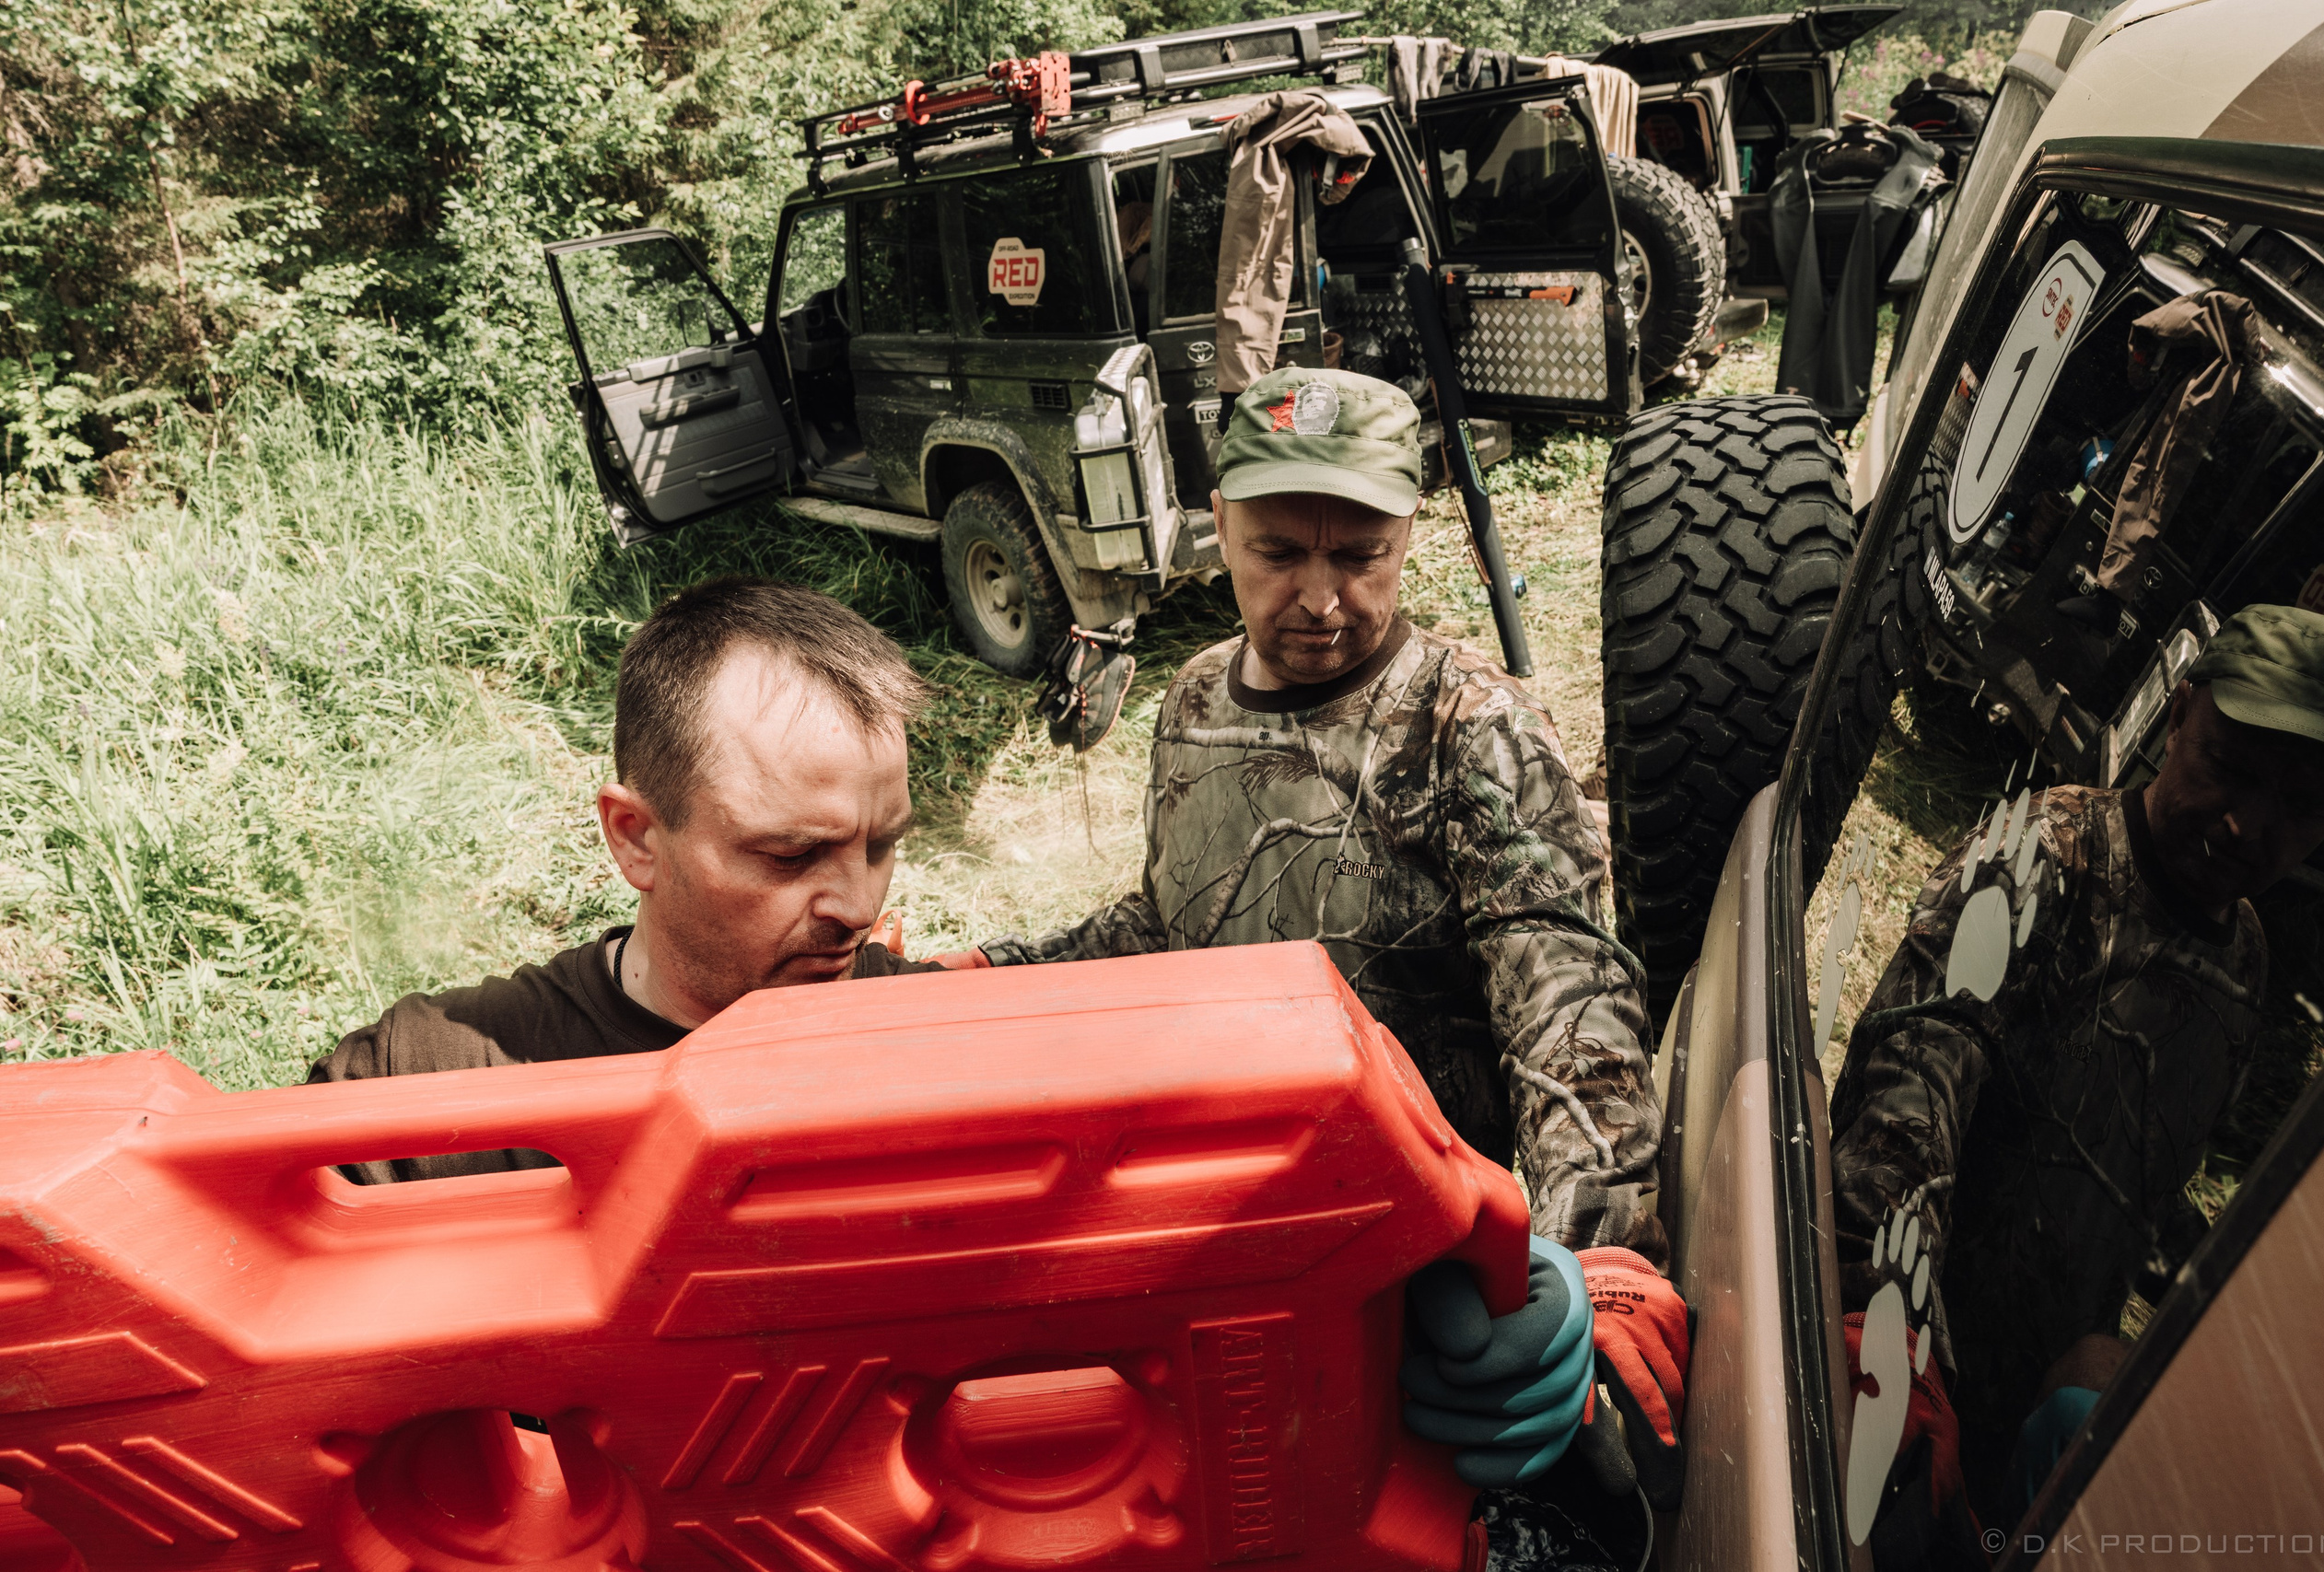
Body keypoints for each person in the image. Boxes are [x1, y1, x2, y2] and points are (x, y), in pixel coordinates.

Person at [934, 366, 1688, 1538]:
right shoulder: (1193, 700)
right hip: (1233, 1233)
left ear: (1409, 534)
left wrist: (1594, 1259)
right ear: (1218, 524)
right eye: (1278, 553)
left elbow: (1566, 997)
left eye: (1362, 556)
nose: (1322, 600)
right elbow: (1172, 925)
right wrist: (995, 981)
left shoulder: (1466, 724)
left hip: (1428, 1264)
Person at [1828, 604, 2324, 1555]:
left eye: (2305, 807)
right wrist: (1892, 1326)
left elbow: (2133, 1189)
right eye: (2229, 767)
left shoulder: (2242, 960)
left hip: (2028, 1439)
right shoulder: (2042, 858)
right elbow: (1908, 1092)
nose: (2249, 824)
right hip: (1888, 1378)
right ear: (2178, 711)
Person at [309, 578, 940, 1179]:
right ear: (636, 837)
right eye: (792, 853)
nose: (859, 909)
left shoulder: (948, 1040)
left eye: (881, 845)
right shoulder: (431, 1082)